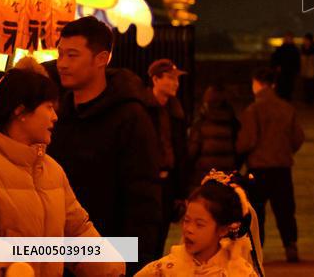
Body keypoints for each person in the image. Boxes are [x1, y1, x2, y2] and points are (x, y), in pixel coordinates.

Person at [0, 58, 124, 277]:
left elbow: (78, 232)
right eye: (48, 107)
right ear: (20, 111)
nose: (55, 117)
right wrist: (10, 268)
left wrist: (114, 268)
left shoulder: (51, 170)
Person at [47, 16, 162, 273]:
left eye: (72, 55)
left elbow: (143, 199)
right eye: (60, 54)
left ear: (101, 59)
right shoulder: (57, 114)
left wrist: (132, 263)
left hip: (108, 254)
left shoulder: (130, 116)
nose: (62, 64)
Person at [236, 67, 305, 263]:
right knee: (285, 210)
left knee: (257, 211)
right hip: (282, 167)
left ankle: (257, 249)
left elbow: (247, 141)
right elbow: (298, 137)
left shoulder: (253, 110)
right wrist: (284, 150)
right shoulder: (286, 108)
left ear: (257, 84)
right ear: (273, 85)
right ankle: (290, 245)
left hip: (258, 167)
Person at [137, 171, 264, 277]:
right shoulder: (163, 269)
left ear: (222, 229)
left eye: (199, 224)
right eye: (187, 220)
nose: (189, 229)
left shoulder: (239, 272)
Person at [146, 58, 190, 259]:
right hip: (148, 180)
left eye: (177, 79)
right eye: (170, 78)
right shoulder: (142, 109)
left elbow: (180, 151)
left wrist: (181, 190)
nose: (176, 84)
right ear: (155, 79)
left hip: (169, 182)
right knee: (146, 234)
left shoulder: (176, 111)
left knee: (162, 232)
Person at [188, 85, 241, 188]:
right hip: (226, 177)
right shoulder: (233, 124)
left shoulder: (200, 124)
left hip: (205, 176)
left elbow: (192, 152)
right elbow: (239, 150)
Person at [270, 32, 301, 101]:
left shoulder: (294, 50)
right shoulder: (281, 49)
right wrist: (277, 66)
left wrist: (296, 70)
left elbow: (297, 61)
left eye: (289, 38)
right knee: (282, 88)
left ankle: (286, 101)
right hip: (282, 72)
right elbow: (274, 59)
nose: (288, 39)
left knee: (289, 88)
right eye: (287, 38)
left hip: (290, 72)